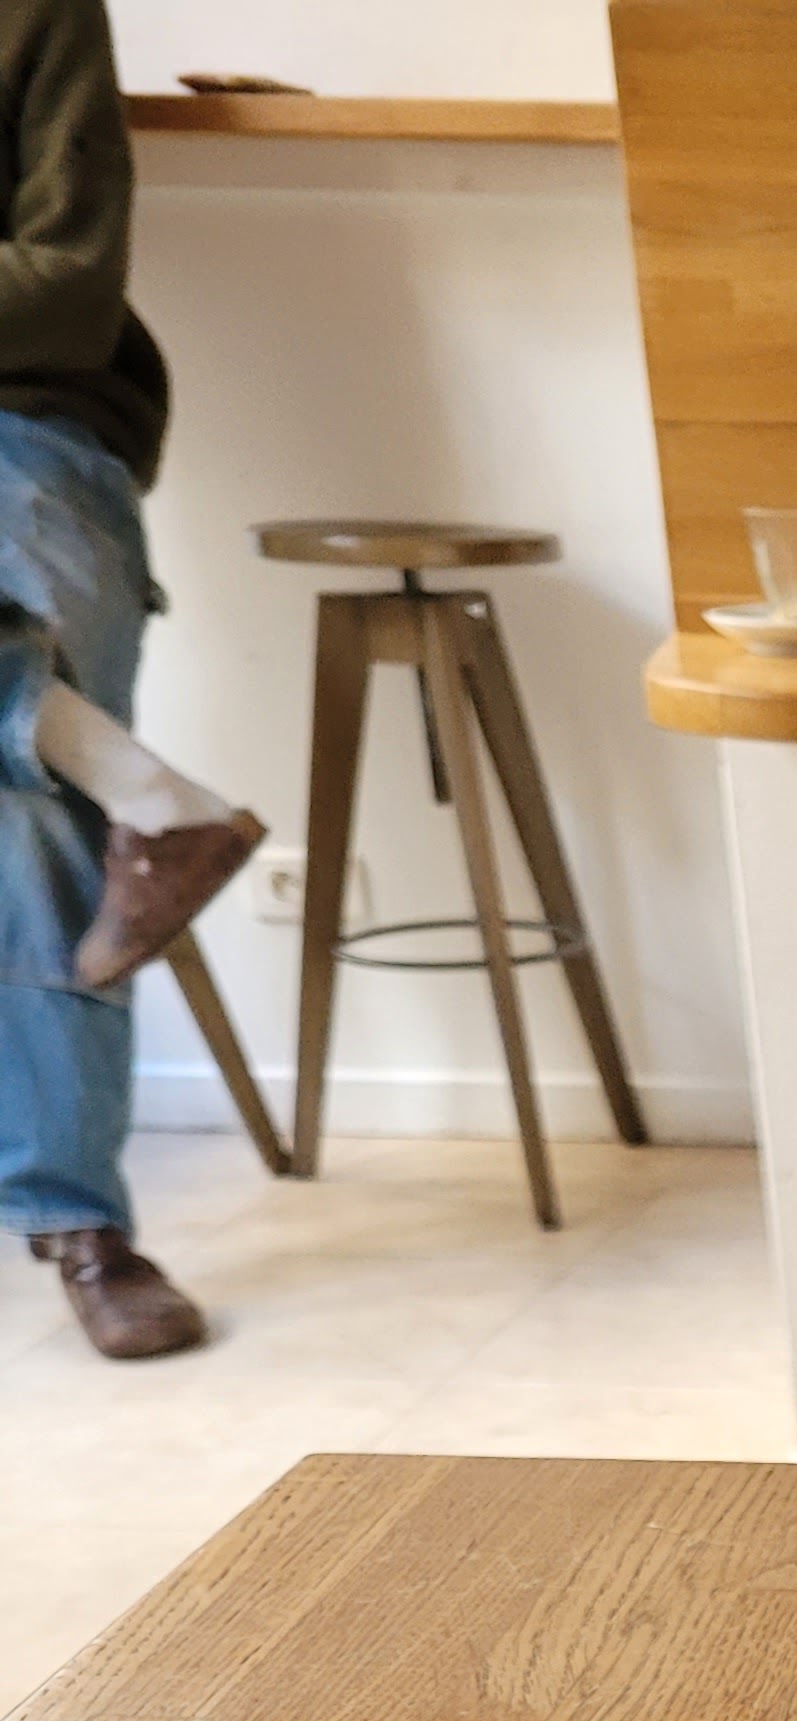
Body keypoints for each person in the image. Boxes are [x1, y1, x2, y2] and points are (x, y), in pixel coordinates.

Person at [1, 0, 259, 1360]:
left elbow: (64, 285)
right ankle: (140, 790)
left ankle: (78, 1221)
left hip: (24, 428)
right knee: (39, 753)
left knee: (24, 807)